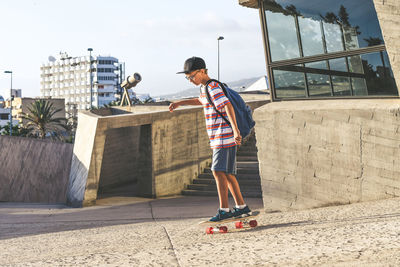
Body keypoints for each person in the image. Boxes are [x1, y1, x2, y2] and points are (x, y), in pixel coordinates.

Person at [169, 56, 252, 222]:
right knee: (227, 173)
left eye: (192, 76)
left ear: (202, 71)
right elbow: (201, 100)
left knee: (217, 171)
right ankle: (242, 208)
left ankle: (224, 210)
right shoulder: (205, 88)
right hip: (220, 137)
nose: (190, 80)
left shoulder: (212, 86)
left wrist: (236, 130)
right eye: (188, 78)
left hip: (223, 136)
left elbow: (227, 105)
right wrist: (180, 103)